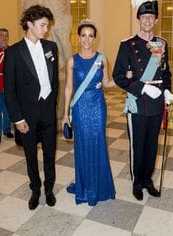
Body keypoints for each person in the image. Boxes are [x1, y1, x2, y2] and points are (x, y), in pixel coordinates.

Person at [113, 0, 173, 201]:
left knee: (151, 144)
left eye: (151, 17)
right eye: (143, 17)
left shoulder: (163, 44)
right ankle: (137, 182)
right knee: (137, 145)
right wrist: (142, 88)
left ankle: (148, 180)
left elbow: (166, 72)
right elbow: (118, 76)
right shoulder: (127, 45)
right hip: (138, 102)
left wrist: (166, 90)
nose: (147, 20)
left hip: (157, 103)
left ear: (156, 19)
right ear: (138, 19)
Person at [4, 5, 58, 210]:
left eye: (47, 25)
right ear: (29, 24)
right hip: (27, 114)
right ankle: (35, 189)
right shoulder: (14, 52)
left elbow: (54, 82)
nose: (46, 29)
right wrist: (17, 119)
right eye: (43, 25)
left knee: (50, 153)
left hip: (47, 110)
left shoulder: (51, 47)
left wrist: (53, 106)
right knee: (30, 155)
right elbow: (9, 90)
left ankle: (49, 188)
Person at [62, 19, 116, 206]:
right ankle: (85, 187)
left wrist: (125, 79)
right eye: (83, 35)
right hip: (79, 107)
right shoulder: (72, 61)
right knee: (83, 144)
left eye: (90, 36)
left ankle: (99, 186)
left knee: (98, 142)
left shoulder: (102, 59)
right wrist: (65, 114)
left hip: (98, 106)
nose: (87, 39)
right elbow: (68, 87)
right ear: (78, 38)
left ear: (95, 39)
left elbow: (108, 82)